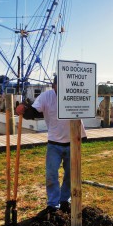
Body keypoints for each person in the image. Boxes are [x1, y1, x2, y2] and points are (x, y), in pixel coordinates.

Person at [16, 75, 87, 212]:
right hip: (54, 143)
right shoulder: (46, 96)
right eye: (58, 85)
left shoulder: (74, 95)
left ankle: (65, 200)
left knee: (71, 174)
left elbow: (82, 113)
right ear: (53, 85)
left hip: (72, 142)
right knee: (51, 174)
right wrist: (24, 109)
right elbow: (34, 111)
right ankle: (53, 204)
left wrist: (82, 137)